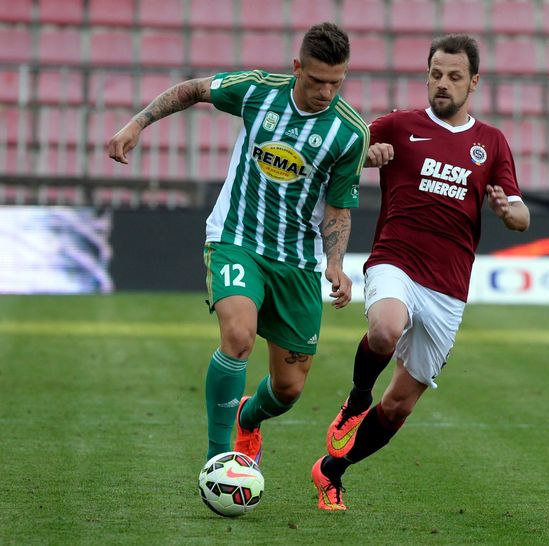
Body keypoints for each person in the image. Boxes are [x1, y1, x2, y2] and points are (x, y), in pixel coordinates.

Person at [108, 22, 369, 464]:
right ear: (296, 68)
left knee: (289, 389)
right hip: (236, 238)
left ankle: (249, 417)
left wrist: (335, 262)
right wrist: (138, 123)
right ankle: (219, 459)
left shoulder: (350, 133)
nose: (327, 92)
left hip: (297, 258)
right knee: (238, 335)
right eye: (318, 80)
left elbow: (339, 208)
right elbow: (193, 89)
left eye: (336, 82)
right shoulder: (256, 91)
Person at [310, 33, 531, 511]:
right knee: (386, 330)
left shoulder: (491, 142)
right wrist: (364, 156)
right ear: (426, 76)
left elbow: (520, 214)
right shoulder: (398, 125)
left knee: (399, 406)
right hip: (396, 261)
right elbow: (339, 153)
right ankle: (355, 398)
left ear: (474, 81)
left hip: (449, 287)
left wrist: (507, 212)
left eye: (454, 76)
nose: (442, 84)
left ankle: (332, 471)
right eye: (435, 75)